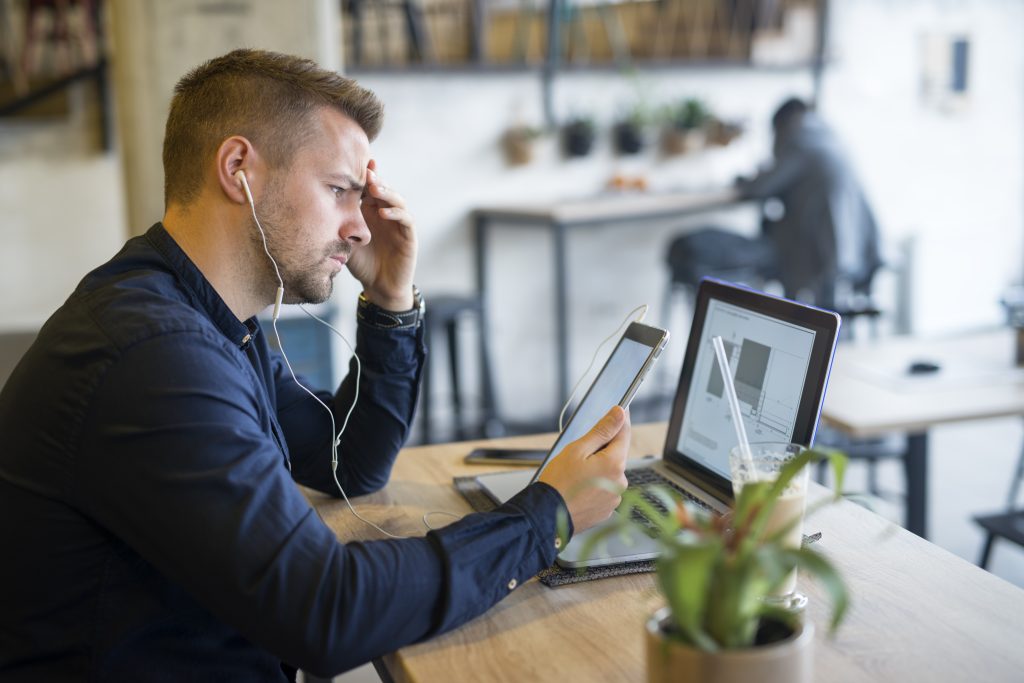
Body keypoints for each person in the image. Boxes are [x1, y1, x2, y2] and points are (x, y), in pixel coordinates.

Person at [0, 49, 630, 681]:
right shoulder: (153, 355)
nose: (361, 227)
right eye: (339, 191)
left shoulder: (212, 323)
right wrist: (545, 517)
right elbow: (325, 613)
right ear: (238, 168)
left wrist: (388, 298)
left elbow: (350, 461)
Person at [667, 97, 881, 309]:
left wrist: (747, 179)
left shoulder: (800, 139)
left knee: (690, 247)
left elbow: (759, 188)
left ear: (781, 125)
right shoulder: (831, 138)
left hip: (810, 250)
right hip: (846, 247)